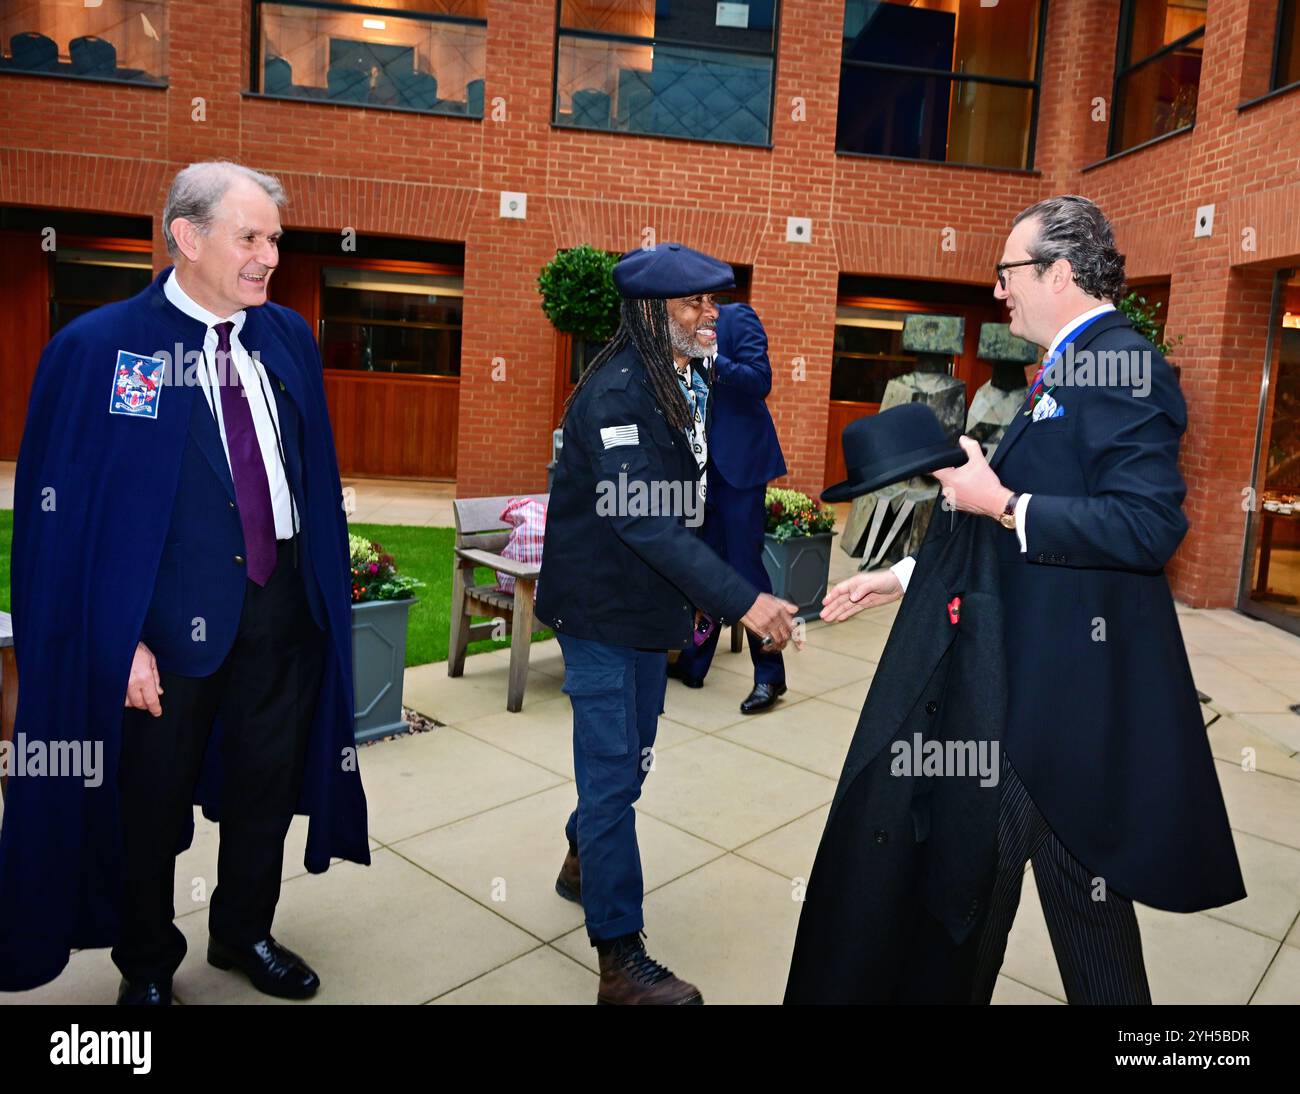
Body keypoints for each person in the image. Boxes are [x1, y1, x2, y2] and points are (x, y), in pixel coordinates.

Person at [809, 195, 1243, 1004]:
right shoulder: (1073, 366)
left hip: (1048, 706)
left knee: (961, 898)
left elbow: (1148, 526)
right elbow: (1013, 526)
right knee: (1082, 912)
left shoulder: (1123, 364)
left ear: (1061, 272)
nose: (999, 291)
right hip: (1038, 695)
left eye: (1009, 272)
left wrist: (1003, 503)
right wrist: (901, 578)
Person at [0, 161, 369, 1003]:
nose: (269, 256)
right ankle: (147, 965)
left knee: (265, 790)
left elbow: (307, 473)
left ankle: (244, 932)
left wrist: (318, 600)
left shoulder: (286, 339)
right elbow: (63, 526)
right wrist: (114, 638)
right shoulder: (100, 352)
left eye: (274, 238)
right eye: (251, 237)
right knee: (147, 811)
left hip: (282, 615)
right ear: (187, 237)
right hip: (161, 632)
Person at [536, 242, 801, 1005]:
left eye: (713, 302)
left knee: (632, 759)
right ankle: (620, 960)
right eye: (694, 304)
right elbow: (643, 522)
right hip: (602, 614)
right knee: (617, 778)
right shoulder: (619, 393)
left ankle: (580, 851)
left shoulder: (678, 380)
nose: (710, 315)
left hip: (648, 613)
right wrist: (744, 600)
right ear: (653, 313)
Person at [667, 302, 789, 713]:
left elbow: (761, 380)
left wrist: (715, 359)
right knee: (705, 565)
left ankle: (770, 676)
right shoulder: (676, 327)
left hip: (739, 468)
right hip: (697, 469)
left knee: (744, 567)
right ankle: (696, 660)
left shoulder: (739, 318)